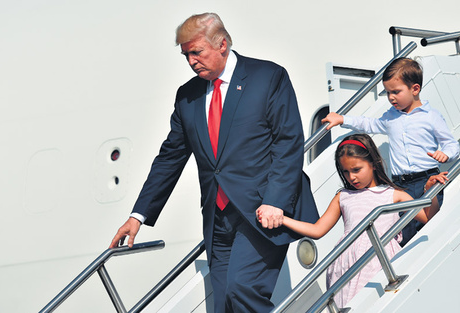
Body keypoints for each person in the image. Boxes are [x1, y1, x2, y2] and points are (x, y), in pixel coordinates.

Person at [109, 12, 319, 313]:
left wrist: (276, 201)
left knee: (242, 291)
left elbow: (288, 141)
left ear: (222, 44)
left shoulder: (267, 77)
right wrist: (138, 216)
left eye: (197, 52)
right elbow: (170, 158)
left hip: (261, 211)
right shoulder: (188, 96)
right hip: (217, 217)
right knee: (223, 304)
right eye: (186, 55)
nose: (192, 61)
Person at [259, 134, 447, 308]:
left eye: (356, 170)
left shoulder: (394, 194)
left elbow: (428, 217)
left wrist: (430, 191)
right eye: (346, 172)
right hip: (346, 263)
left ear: (373, 163)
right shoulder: (343, 196)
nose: (351, 177)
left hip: (381, 258)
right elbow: (317, 230)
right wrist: (282, 219)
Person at [322, 57, 459, 246]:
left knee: (424, 228)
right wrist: (343, 119)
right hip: (400, 185)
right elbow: (369, 124)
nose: (391, 97)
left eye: (396, 92)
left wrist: (446, 154)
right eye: (387, 93)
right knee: (402, 230)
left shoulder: (431, 117)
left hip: (426, 180)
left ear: (415, 89)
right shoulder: (391, 117)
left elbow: (452, 145)